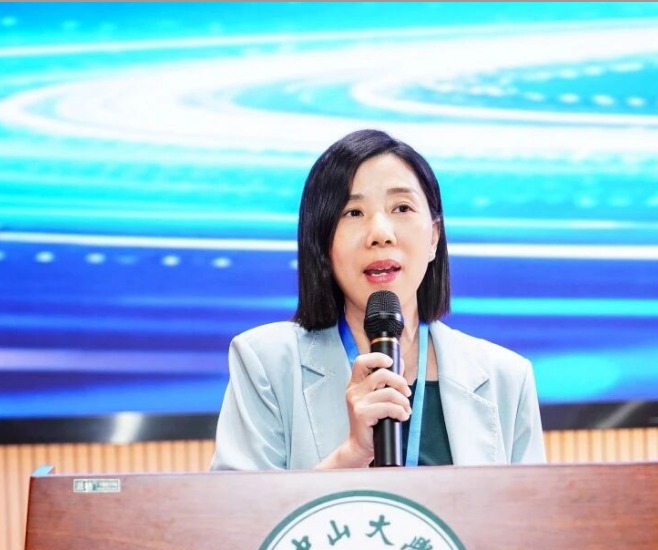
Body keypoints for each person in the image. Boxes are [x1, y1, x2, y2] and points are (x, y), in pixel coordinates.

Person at [211, 129, 545, 470]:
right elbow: (239, 505)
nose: (381, 234)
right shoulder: (265, 363)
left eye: (401, 207)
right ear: (323, 242)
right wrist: (352, 454)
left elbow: (534, 505)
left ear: (434, 237)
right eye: (353, 212)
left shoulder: (507, 378)